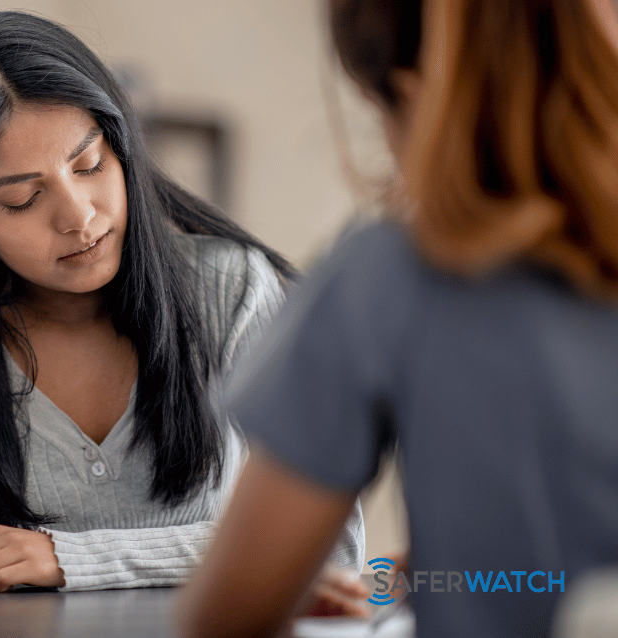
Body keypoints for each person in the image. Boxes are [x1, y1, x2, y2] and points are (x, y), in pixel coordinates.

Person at [0, 10, 365, 595]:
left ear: (123, 149)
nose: (79, 216)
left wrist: (77, 558)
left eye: (90, 165)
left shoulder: (233, 288)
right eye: (23, 199)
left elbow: (331, 544)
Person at [179, 0, 618, 635]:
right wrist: (431, 576)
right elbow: (545, 575)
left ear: (419, 95)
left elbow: (226, 615)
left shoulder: (391, 277)